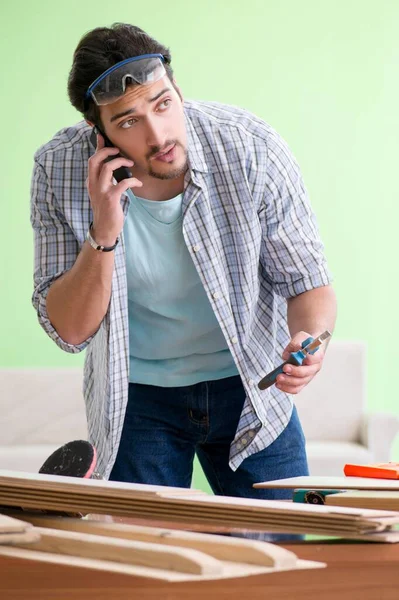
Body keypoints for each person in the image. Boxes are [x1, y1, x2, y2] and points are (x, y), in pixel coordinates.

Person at [31, 23, 337, 500]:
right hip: (138, 402)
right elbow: (70, 331)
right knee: (146, 567)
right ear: (98, 132)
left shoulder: (250, 148)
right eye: (129, 121)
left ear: (177, 90)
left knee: (283, 560)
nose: (159, 135)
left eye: (163, 104)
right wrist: (104, 229)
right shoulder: (58, 171)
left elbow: (308, 282)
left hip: (252, 389)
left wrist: (309, 340)